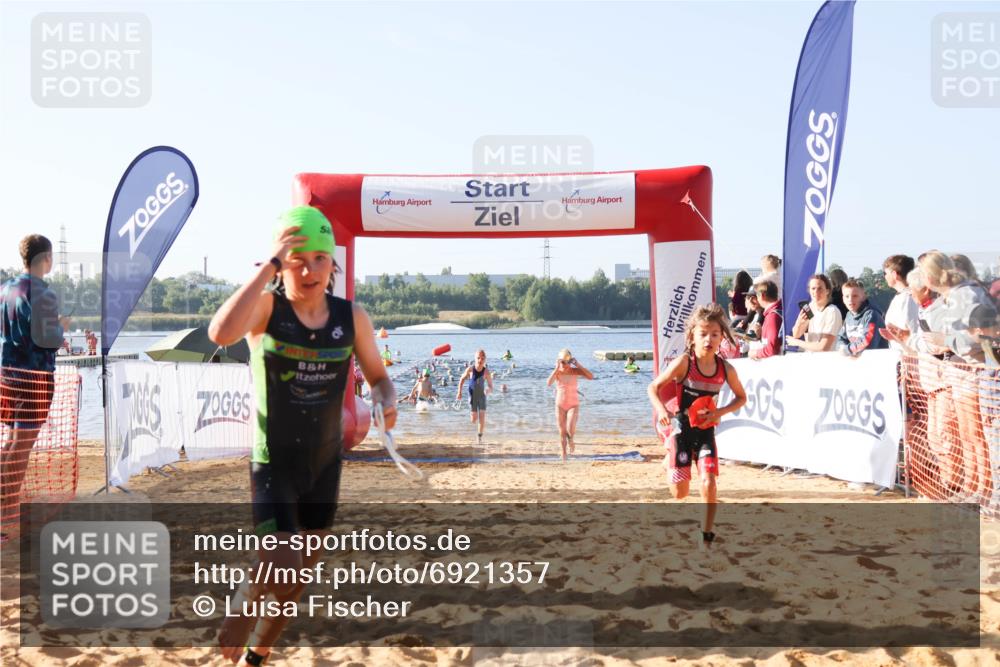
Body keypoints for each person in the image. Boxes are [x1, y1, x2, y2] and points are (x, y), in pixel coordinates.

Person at [208, 206, 397, 665]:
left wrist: (386, 399)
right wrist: (270, 266)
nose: (309, 269)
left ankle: (258, 656)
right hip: (274, 461)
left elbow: (378, 377)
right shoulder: (267, 309)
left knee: (295, 581)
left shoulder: (351, 318)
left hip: (325, 466)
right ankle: (242, 610)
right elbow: (219, 332)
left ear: (333, 264)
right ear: (281, 261)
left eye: (319, 258)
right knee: (284, 561)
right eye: (298, 258)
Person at [646, 304, 747, 547]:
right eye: (703, 334)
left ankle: (706, 534)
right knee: (680, 493)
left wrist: (720, 412)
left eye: (714, 334)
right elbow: (653, 387)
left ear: (722, 336)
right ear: (692, 337)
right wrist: (661, 410)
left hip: (705, 433)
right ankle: (669, 455)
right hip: (680, 432)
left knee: (709, 482)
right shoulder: (684, 363)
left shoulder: (726, 369)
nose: (708, 340)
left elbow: (741, 397)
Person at [1, 235, 69, 529]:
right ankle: (7, 514)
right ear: (47, 258)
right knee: (22, 446)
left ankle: (5, 506)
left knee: (9, 442)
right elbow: (47, 339)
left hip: (6, 373)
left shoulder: (5, 288)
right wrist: (61, 329)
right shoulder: (42, 292)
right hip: (34, 376)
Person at [546, 349, 595, 460]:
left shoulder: (575, 371)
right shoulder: (557, 372)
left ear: (571, 361)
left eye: (567, 362)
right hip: (560, 405)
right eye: (563, 362)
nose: (565, 365)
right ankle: (563, 453)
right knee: (562, 431)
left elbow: (591, 376)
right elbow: (548, 383)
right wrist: (556, 368)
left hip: (573, 404)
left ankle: (571, 439)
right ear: (559, 361)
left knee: (570, 428)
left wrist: (578, 365)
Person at [785, 274, 844, 352]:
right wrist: (799, 322)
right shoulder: (809, 308)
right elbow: (796, 335)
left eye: (820, 288)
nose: (816, 292)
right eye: (813, 288)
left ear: (827, 291)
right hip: (810, 359)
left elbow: (824, 347)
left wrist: (797, 342)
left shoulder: (832, 311)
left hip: (827, 361)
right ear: (809, 290)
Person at [837, 279, 889, 356]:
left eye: (855, 296)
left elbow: (868, 341)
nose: (850, 300)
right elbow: (840, 338)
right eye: (847, 296)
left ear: (864, 297)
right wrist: (842, 348)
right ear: (843, 299)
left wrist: (848, 350)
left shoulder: (872, 315)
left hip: (875, 362)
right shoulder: (848, 315)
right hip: (855, 363)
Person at [882, 255, 920, 353]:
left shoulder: (909, 298)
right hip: (901, 354)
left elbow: (914, 329)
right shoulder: (902, 297)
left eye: (885, 273)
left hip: (911, 357)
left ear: (894, 274)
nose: (884, 277)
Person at [456, 349, 493, 445]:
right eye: (478, 358)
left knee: (482, 417)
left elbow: (490, 386)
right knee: (474, 419)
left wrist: (488, 390)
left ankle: (479, 437)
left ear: (485, 359)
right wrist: (459, 392)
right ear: (475, 358)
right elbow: (462, 379)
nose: (480, 360)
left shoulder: (486, 372)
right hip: (472, 396)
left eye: (482, 358)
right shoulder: (470, 370)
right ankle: (473, 416)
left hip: (482, 396)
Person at [749, 280, 783, 360]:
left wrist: (755, 353)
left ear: (762, 295)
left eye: (757, 295)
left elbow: (772, 349)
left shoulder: (773, 316)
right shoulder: (775, 312)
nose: (757, 299)